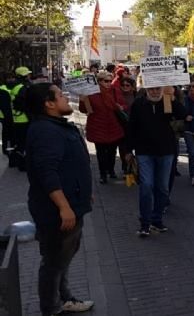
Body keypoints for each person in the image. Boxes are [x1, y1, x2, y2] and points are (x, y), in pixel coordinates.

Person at [25, 83, 95, 316]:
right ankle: (51, 308)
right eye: (60, 95)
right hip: (57, 212)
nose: (66, 98)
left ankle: (64, 299)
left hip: (74, 205)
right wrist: (64, 207)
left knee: (63, 258)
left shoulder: (56, 126)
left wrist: (84, 193)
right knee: (54, 262)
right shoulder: (45, 131)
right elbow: (47, 173)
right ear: (49, 103)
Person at [127, 86, 186, 236]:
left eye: (157, 89)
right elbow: (131, 127)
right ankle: (145, 223)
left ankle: (157, 220)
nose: (155, 92)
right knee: (146, 185)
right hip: (144, 152)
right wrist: (128, 150)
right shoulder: (138, 104)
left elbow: (183, 115)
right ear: (146, 89)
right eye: (151, 89)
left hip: (166, 151)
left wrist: (172, 98)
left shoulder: (168, 102)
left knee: (163, 188)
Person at [78, 71, 127, 184]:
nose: (109, 83)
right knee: (100, 152)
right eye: (106, 81)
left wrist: (121, 107)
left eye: (110, 81)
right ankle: (103, 173)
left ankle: (110, 169)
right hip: (98, 127)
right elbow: (84, 110)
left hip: (113, 126)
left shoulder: (115, 91)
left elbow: (123, 104)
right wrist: (82, 100)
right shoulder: (91, 93)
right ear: (99, 81)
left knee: (112, 151)